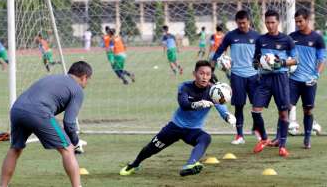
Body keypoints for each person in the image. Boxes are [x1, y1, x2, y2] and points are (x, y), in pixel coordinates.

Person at [119, 60, 236, 177]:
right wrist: (198, 104)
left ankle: (190, 165)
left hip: (193, 131)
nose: (204, 77)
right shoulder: (185, 87)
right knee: (151, 148)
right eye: (201, 73)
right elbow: (184, 105)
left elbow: (221, 107)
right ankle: (134, 164)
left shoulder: (213, 91)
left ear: (211, 76)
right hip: (175, 127)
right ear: (194, 73)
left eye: (207, 74)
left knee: (205, 138)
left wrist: (227, 116)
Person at [0, 61, 92, 187]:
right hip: (38, 112)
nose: (87, 83)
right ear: (84, 77)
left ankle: (3, 185)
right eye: (88, 80)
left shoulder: (52, 77)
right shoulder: (77, 90)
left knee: (15, 149)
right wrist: (75, 142)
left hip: (17, 109)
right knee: (67, 148)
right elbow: (69, 123)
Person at [252, 10, 297, 157]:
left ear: (278, 22)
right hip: (264, 79)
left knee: (283, 113)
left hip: (280, 78)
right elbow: (255, 61)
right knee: (255, 110)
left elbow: (296, 60)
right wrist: (261, 64)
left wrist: (281, 63)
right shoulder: (260, 40)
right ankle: (264, 138)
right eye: (267, 22)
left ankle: (282, 146)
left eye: (273, 22)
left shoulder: (287, 40)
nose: (270, 25)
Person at [212, 10, 260, 145]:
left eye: (244, 23)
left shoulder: (257, 36)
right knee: (239, 106)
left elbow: (261, 55)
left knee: (256, 105)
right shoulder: (230, 36)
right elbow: (219, 51)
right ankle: (239, 136)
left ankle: (256, 129)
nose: (242, 26)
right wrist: (211, 68)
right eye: (239, 23)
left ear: (249, 22)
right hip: (237, 75)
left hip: (253, 75)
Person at [286, 9, 325, 148]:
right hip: (293, 80)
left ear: (307, 20)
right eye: (296, 21)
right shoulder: (291, 37)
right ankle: (280, 139)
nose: (298, 24)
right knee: (286, 108)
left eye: (300, 21)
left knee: (307, 110)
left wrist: (316, 75)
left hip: (309, 81)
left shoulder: (317, 38)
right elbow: (286, 55)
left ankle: (307, 138)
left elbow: (322, 59)